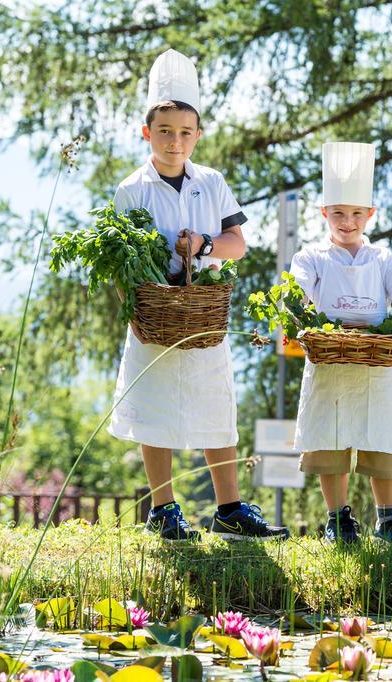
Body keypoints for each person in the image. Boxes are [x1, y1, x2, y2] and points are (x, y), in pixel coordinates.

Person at [108, 48, 289, 542]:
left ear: (198, 136)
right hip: (154, 315)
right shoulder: (133, 190)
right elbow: (120, 258)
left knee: (215, 405)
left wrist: (204, 244)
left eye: (185, 132)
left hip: (202, 313)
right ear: (147, 133)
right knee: (154, 407)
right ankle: (163, 510)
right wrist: (136, 310)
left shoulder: (211, 183)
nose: (175, 141)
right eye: (165, 131)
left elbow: (238, 245)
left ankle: (229, 509)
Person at [290, 141, 392, 546]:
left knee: (380, 437)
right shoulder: (312, 257)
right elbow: (298, 293)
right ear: (324, 214)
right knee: (330, 438)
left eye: (356, 213)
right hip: (330, 358)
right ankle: (338, 520)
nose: (347, 222)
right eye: (338, 213)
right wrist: (295, 314)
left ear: (370, 214)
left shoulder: (382, 258)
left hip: (375, 360)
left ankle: (388, 521)